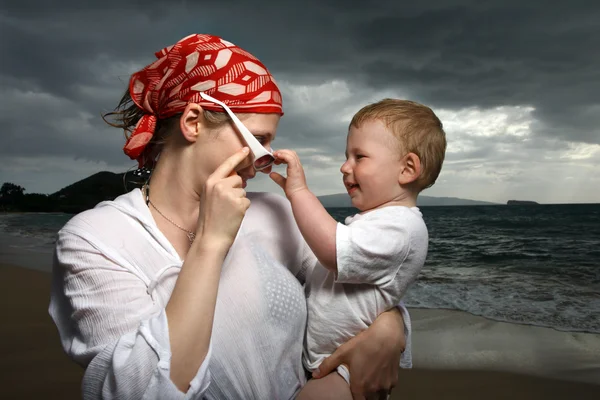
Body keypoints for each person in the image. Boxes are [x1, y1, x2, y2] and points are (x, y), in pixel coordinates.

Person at [48, 34, 412, 400]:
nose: (265, 159)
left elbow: (359, 285)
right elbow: (139, 391)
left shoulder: (275, 212)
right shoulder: (95, 239)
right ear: (193, 122)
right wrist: (209, 244)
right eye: (258, 140)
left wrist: (391, 325)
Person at [270, 99, 447, 399]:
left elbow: (330, 250)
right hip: (323, 362)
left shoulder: (402, 229)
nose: (344, 167)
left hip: (347, 372)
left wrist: (299, 192)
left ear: (407, 169)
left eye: (359, 157)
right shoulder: (376, 222)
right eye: (346, 156)